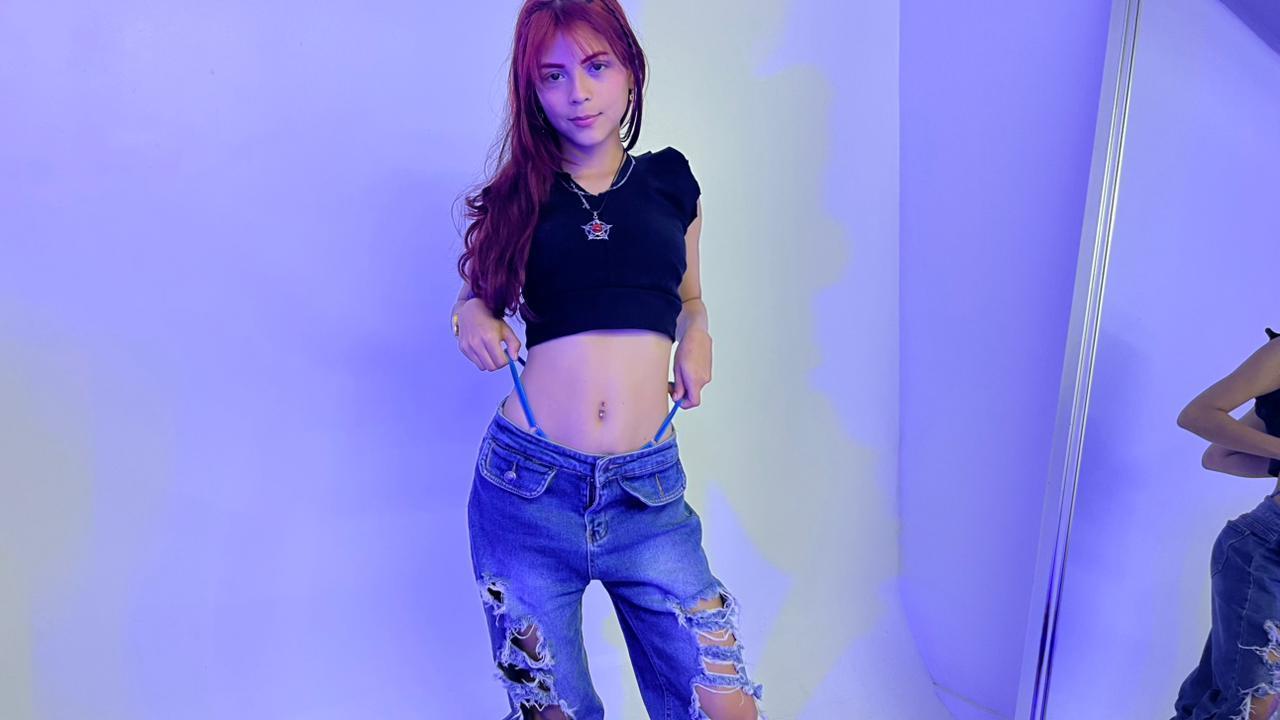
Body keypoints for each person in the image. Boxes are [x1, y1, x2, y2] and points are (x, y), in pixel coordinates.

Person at [449, 1, 764, 718]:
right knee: (552, 711)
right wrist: (471, 319)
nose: (578, 93)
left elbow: (690, 298)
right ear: (532, 89)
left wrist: (699, 334)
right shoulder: (519, 195)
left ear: (630, 70)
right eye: (553, 75)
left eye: (596, 67)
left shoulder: (670, 182)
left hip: (646, 494)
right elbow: (475, 302)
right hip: (526, 491)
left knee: (723, 706)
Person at [1173, 328, 1280, 720]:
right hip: (1267, 551)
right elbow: (1198, 416)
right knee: (1254, 704)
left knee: (1217, 698)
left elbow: (1221, 457)